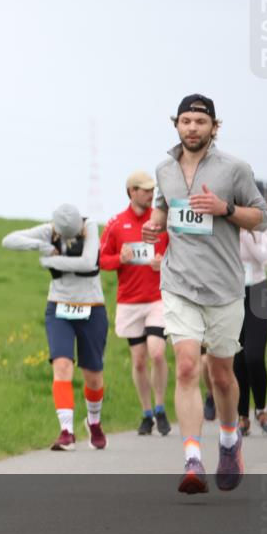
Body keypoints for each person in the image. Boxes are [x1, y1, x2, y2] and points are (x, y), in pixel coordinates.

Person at [141, 93, 267, 494]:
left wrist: (225, 209)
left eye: (200, 121)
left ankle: (230, 440)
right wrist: (155, 224)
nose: (192, 128)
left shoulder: (235, 168)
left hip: (225, 287)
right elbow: (164, 208)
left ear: (214, 127)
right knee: (185, 367)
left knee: (222, 374)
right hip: (179, 283)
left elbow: (262, 217)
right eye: (185, 121)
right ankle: (193, 457)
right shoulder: (164, 169)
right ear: (175, 125)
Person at [3, 204, 108, 452]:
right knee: (62, 366)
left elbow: (87, 262)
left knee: (92, 376)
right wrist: (40, 246)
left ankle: (94, 422)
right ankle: (67, 431)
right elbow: (8, 240)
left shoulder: (90, 227)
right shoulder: (49, 231)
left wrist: (50, 260)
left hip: (92, 307)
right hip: (59, 308)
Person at [99, 170, 171, 436]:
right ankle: (147, 412)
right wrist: (121, 258)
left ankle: (162, 406)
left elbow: (180, 253)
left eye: (152, 190)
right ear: (131, 191)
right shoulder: (116, 223)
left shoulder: (161, 222)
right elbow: (101, 260)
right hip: (129, 302)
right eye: (144, 189)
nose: (150, 194)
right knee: (139, 361)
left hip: (158, 298)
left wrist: (164, 261)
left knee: (158, 352)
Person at [234, 226, 267, 434]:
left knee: (254, 356)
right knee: (238, 359)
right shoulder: (224, 224)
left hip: (258, 293)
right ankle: (242, 416)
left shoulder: (261, 228)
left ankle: (261, 410)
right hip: (231, 294)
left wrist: (249, 238)